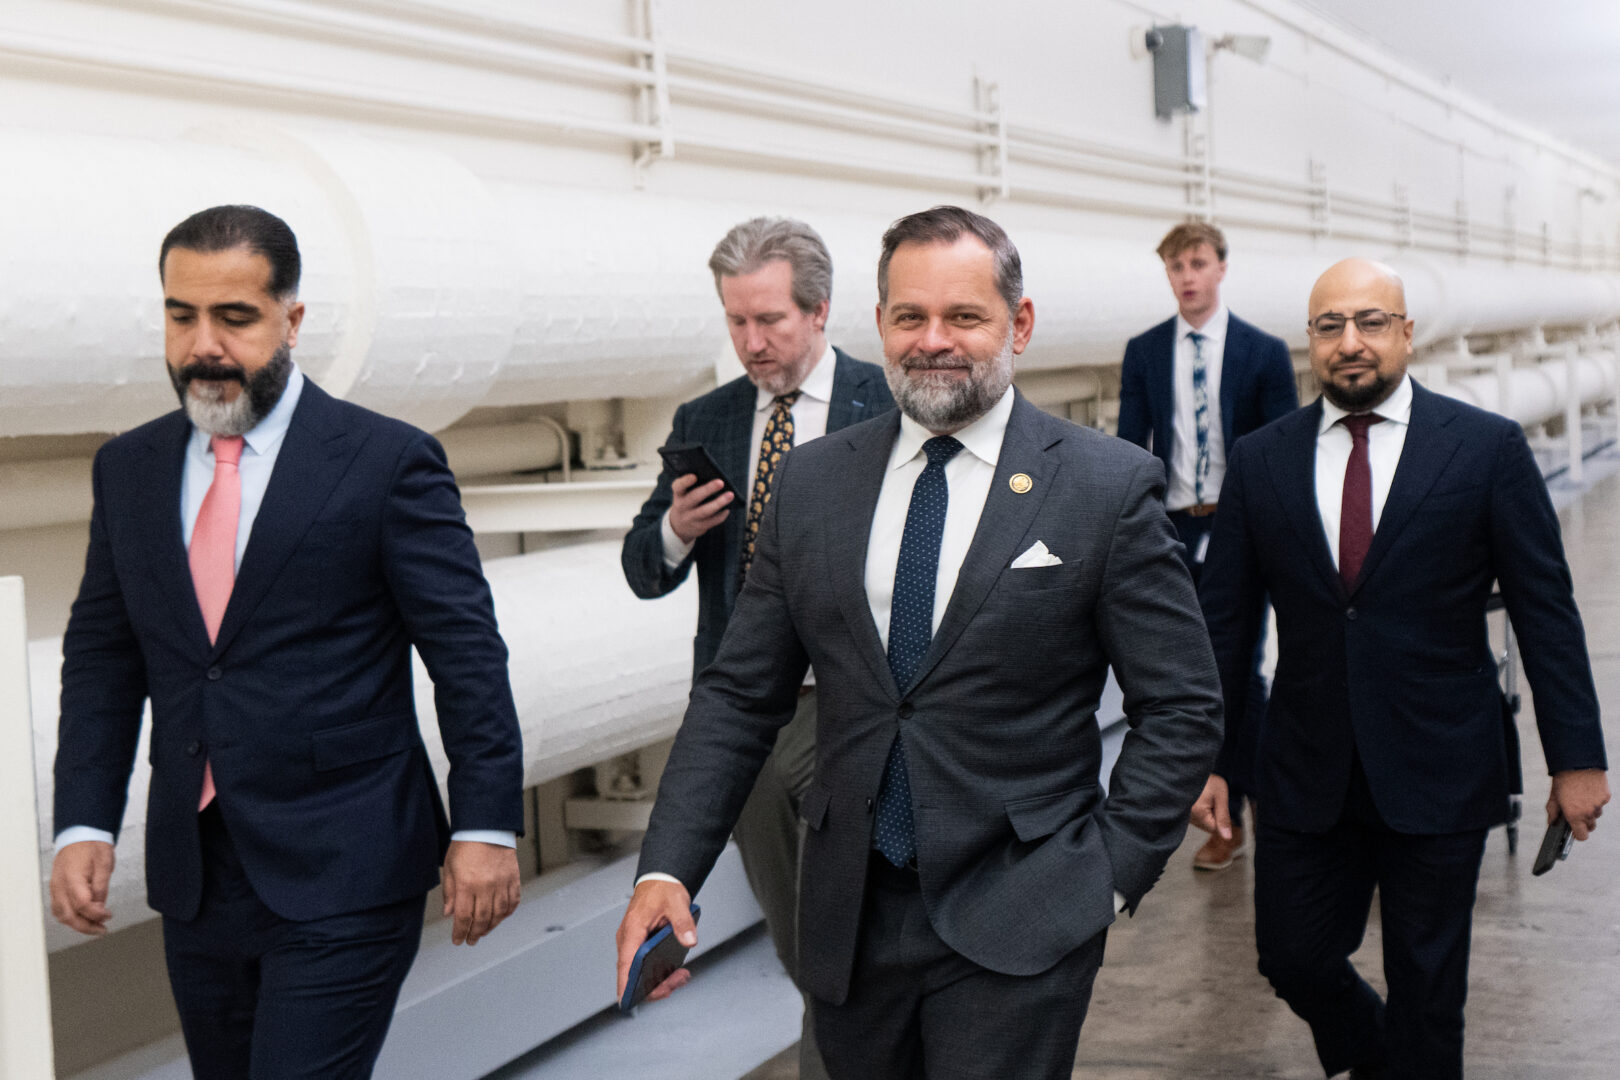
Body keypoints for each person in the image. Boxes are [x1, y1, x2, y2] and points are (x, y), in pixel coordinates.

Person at [617, 205, 1223, 1080]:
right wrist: (666, 871)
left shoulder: (1102, 486)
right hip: (848, 917)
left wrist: (1108, 878)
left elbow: (1180, 705)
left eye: (963, 317)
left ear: (1018, 324)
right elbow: (740, 693)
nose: (932, 340)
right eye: (910, 317)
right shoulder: (814, 482)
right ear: (880, 322)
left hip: (1025, 911)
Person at [50, 205, 525, 1080]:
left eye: (234, 318)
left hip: (348, 862)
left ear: (291, 320)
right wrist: (82, 815)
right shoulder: (130, 468)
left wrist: (487, 824)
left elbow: (465, 653)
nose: (204, 345)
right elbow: (105, 655)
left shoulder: (385, 462)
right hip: (196, 873)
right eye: (181, 315)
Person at [1193, 258, 1609, 1079]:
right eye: (1329, 326)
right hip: (1307, 767)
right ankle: (1382, 1059)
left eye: (1371, 322)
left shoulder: (1484, 449)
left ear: (1406, 332)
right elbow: (1224, 624)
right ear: (1308, 342)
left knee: (1429, 987)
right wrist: (1210, 759)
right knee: (1293, 955)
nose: (1351, 343)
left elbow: (1545, 610)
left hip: (1439, 763)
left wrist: (1577, 758)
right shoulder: (1262, 459)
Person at [621, 216, 892, 1078]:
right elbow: (641, 570)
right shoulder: (710, 417)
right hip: (751, 722)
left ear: (819, 312)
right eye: (736, 321)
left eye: (769, 320)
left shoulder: (886, 404)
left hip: (860, 709)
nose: (751, 341)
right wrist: (674, 527)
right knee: (802, 941)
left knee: (853, 931)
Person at [1118, 220, 1298, 871]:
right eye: (1175, 267)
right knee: (1185, 675)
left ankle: (1236, 815)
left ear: (1221, 267)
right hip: (1172, 526)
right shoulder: (1143, 351)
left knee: (1239, 671)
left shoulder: (1263, 352)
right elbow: (1129, 449)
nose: (1187, 277)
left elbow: (1282, 452)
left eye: (1197, 263)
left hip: (1238, 526)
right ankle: (1213, 800)